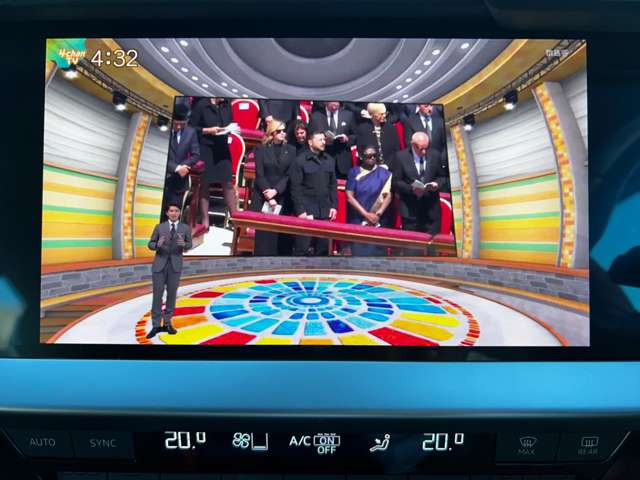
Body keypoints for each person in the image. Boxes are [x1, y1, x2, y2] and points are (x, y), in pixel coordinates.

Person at [392, 132, 448, 246]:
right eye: (421, 149)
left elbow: (442, 176)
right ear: (413, 145)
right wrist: (411, 189)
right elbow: (396, 182)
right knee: (412, 248)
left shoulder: (435, 155)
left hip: (431, 210)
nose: (424, 152)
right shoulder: (401, 157)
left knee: (432, 247)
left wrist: (437, 184)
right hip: (410, 212)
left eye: (426, 148)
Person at [189, 97, 236, 230]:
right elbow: (191, 128)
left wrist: (229, 129)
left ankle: (235, 218)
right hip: (205, 146)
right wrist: (208, 130)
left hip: (222, 148)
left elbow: (230, 123)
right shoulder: (202, 104)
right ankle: (205, 220)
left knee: (227, 182)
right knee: (205, 183)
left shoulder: (226, 105)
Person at [147, 203, 193, 339]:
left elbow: (190, 244)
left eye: (176, 211)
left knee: (172, 295)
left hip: (175, 266)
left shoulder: (185, 228)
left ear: (180, 213)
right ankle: (156, 325)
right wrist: (157, 245)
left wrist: (185, 245)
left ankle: (167, 323)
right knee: (157, 296)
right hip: (159, 266)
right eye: (171, 211)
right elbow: (150, 244)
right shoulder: (159, 227)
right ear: (167, 213)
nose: (174, 213)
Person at [250, 119, 296, 255]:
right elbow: (260, 174)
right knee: (263, 236)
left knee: (279, 236)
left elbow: (289, 175)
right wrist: (269, 196)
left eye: (284, 131)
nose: (282, 133)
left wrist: (275, 191)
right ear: (272, 133)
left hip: (281, 196)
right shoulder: (260, 149)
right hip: (263, 196)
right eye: (279, 131)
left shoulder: (291, 150)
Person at [289, 130, 338, 256]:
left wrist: (334, 206)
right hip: (307, 211)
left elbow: (333, 185)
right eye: (320, 140)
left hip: (324, 211)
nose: (323, 142)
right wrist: (300, 211)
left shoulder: (329, 160)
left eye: (324, 140)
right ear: (310, 142)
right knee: (302, 248)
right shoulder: (300, 161)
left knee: (323, 249)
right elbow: (295, 188)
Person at [346, 145, 393, 256]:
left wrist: (378, 213)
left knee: (378, 256)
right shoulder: (354, 172)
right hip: (359, 220)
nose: (372, 158)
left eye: (374, 155)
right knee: (359, 255)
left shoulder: (385, 174)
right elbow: (349, 196)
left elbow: (389, 195)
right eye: (369, 156)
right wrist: (366, 214)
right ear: (361, 157)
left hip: (378, 221)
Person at [164, 104, 200, 210]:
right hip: (164, 178)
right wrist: (177, 168)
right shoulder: (165, 129)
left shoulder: (190, 132)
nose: (179, 127)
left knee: (174, 213)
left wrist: (183, 166)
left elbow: (196, 155)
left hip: (180, 182)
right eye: (176, 124)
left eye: (182, 124)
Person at [309, 101, 356, 179]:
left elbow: (355, 136)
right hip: (322, 160)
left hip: (343, 162)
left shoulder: (348, 115)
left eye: (336, 106)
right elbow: (310, 137)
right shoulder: (316, 116)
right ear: (326, 102)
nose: (334, 108)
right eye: (332, 106)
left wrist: (347, 139)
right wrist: (322, 141)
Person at [356, 103, 401, 169]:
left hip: (390, 167)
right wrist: (374, 167)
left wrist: (387, 165)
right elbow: (361, 151)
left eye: (385, 113)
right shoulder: (363, 129)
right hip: (371, 168)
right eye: (381, 114)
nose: (384, 115)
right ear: (373, 114)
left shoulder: (390, 128)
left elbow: (396, 150)